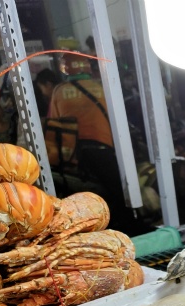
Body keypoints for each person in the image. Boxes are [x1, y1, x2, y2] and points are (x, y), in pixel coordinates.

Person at [48, 53, 146, 235]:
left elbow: (55, 124)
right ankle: (133, 230)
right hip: (103, 147)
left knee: (89, 199)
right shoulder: (102, 87)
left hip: (75, 155)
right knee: (117, 193)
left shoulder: (59, 91)